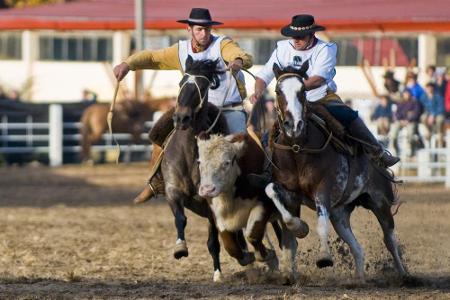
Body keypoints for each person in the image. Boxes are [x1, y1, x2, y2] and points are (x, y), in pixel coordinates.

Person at [113, 8, 253, 203]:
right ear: (189, 29)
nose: (204, 33)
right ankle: (156, 182)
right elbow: (153, 57)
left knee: (241, 144)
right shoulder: (180, 50)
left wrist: (238, 60)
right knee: (158, 133)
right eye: (199, 29)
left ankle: (248, 185)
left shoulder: (223, 45)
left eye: (206, 29)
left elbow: (241, 55)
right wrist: (127, 64)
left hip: (228, 108)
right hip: (192, 110)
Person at [248, 14, 399, 185]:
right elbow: (264, 75)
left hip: (321, 97)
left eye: (301, 37)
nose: (296, 40)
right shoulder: (282, 48)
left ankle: (377, 152)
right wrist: (258, 91)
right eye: (294, 36)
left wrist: (297, 88)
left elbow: (319, 78)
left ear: (311, 34)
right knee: (270, 133)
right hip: (291, 102)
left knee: (348, 116)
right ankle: (267, 170)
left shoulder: (325, 49)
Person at [389, 89, 422, 156]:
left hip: (411, 122)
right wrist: (401, 120)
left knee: (411, 134)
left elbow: (416, 113)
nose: (406, 95)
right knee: (393, 134)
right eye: (405, 93)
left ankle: (412, 150)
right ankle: (396, 149)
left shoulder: (415, 102)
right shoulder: (400, 102)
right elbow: (397, 113)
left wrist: (408, 120)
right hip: (401, 121)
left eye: (407, 93)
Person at [419, 83, 445, 147]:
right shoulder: (423, 97)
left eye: (430, 87)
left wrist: (433, 115)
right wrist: (429, 115)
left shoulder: (438, 96)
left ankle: (439, 134)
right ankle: (429, 132)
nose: (429, 89)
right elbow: (423, 108)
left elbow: (441, 108)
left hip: (438, 113)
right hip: (428, 114)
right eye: (427, 88)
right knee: (423, 117)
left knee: (440, 119)